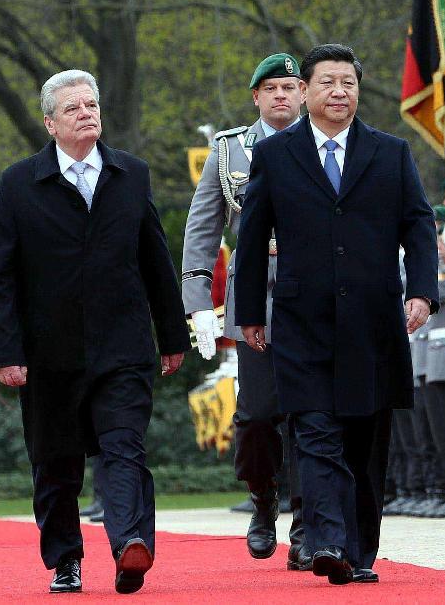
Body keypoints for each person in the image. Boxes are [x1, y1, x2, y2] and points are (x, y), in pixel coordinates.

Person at [234, 43, 438, 585]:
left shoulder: (389, 152)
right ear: (304, 91)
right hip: (302, 322)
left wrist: (421, 291)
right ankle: (326, 543)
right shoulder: (276, 156)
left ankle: (359, 548)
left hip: (372, 323)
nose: (339, 92)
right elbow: (251, 237)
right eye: (328, 82)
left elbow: (418, 225)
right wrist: (250, 312)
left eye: (348, 82)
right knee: (316, 432)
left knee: (364, 439)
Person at [0, 70, 189, 595]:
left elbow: (155, 260)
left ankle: (129, 547)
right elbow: (1, 278)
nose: (86, 113)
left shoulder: (131, 175)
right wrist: (5, 352)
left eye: (92, 104)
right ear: (50, 123)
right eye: (73, 108)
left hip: (122, 346)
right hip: (47, 353)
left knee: (125, 447)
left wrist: (172, 335)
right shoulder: (18, 183)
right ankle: (65, 561)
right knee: (55, 463)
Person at [181, 53, 309, 568]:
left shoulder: (323, 144)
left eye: (289, 86)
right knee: (257, 415)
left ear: (303, 93)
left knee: (311, 414)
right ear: (255, 97)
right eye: (270, 88)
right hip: (254, 291)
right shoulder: (229, 149)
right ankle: (263, 500)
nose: (281, 95)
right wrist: (197, 307)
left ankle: (308, 523)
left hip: (313, 291)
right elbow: (203, 228)